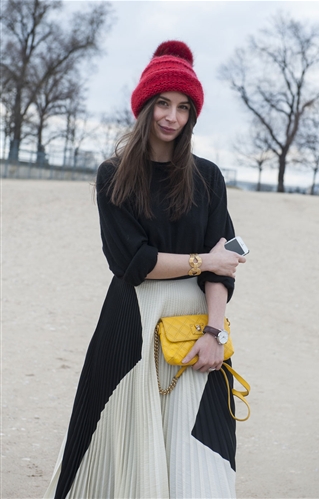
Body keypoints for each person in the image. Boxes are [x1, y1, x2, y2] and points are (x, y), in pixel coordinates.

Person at [44, 40, 246, 499]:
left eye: (182, 107)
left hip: (196, 326)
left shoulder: (208, 177)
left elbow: (222, 269)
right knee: (117, 449)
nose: (171, 116)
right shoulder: (113, 175)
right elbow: (132, 262)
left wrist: (215, 334)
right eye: (162, 103)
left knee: (200, 454)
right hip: (131, 321)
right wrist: (204, 260)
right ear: (144, 107)